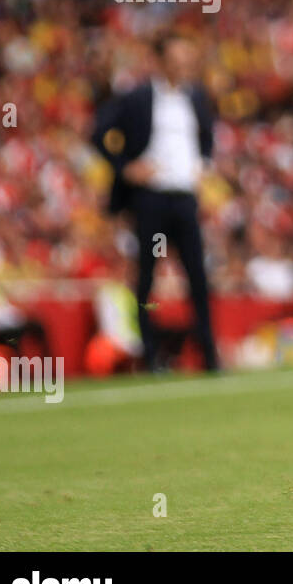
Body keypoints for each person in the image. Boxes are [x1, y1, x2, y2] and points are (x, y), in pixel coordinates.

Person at [90, 30, 220, 373]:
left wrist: (202, 166)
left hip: (184, 197)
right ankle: (149, 355)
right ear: (161, 61)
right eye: (177, 60)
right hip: (151, 198)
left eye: (187, 61)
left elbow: (207, 136)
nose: (184, 67)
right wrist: (126, 168)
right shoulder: (139, 97)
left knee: (198, 275)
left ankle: (208, 353)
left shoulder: (195, 97)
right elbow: (99, 132)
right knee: (146, 276)